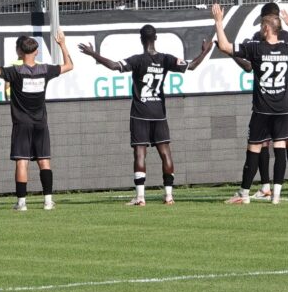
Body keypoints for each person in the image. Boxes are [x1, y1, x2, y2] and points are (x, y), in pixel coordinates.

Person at [77, 24, 212, 206]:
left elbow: (114, 66)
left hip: (140, 113)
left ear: (141, 39)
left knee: (140, 154)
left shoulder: (138, 60)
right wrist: (204, 51)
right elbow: (193, 66)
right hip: (159, 114)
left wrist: (93, 54)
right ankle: (169, 196)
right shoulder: (166, 59)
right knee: (165, 153)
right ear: (155, 38)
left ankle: (140, 198)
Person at [211, 2, 288, 205]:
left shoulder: (257, 45)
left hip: (262, 108)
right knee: (281, 144)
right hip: (284, 107)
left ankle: (245, 192)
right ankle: (276, 195)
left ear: (266, 27)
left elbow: (225, 47)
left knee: (255, 147)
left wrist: (219, 23)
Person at [0, 28, 72, 212]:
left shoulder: (15, 72)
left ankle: (21, 203)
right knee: (44, 161)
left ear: (19, 52)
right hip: (40, 123)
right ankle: (48, 201)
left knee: (21, 161)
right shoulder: (45, 70)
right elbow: (69, 65)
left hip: (21, 124)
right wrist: (62, 45)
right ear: (36, 51)